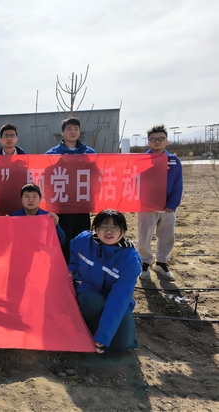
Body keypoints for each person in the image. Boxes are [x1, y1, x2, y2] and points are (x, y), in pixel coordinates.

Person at [68, 209, 140, 353]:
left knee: (122, 343)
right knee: (91, 301)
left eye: (114, 227)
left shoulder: (130, 260)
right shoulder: (83, 240)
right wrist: (72, 269)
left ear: (123, 231)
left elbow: (119, 298)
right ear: (95, 229)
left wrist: (104, 334)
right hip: (87, 291)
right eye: (103, 227)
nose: (108, 232)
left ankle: (99, 334)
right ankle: (84, 332)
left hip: (112, 298)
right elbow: (74, 252)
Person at [45, 117, 96, 262]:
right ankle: (64, 265)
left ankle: (81, 265)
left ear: (80, 132)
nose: (73, 132)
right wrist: (62, 162)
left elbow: (97, 174)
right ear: (62, 132)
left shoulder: (89, 153)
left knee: (82, 235)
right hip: (62, 202)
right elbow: (46, 177)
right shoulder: (52, 154)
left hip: (82, 201)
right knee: (63, 236)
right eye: (69, 129)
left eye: (76, 129)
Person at [138, 125, 183, 281]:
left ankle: (161, 262)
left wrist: (173, 203)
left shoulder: (174, 161)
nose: (157, 142)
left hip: (167, 206)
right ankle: (144, 263)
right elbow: (135, 181)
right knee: (144, 234)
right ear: (148, 142)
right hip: (147, 205)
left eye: (160, 139)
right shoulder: (142, 161)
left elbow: (178, 184)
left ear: (166, 141)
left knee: (167, 235)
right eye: (153, 139)